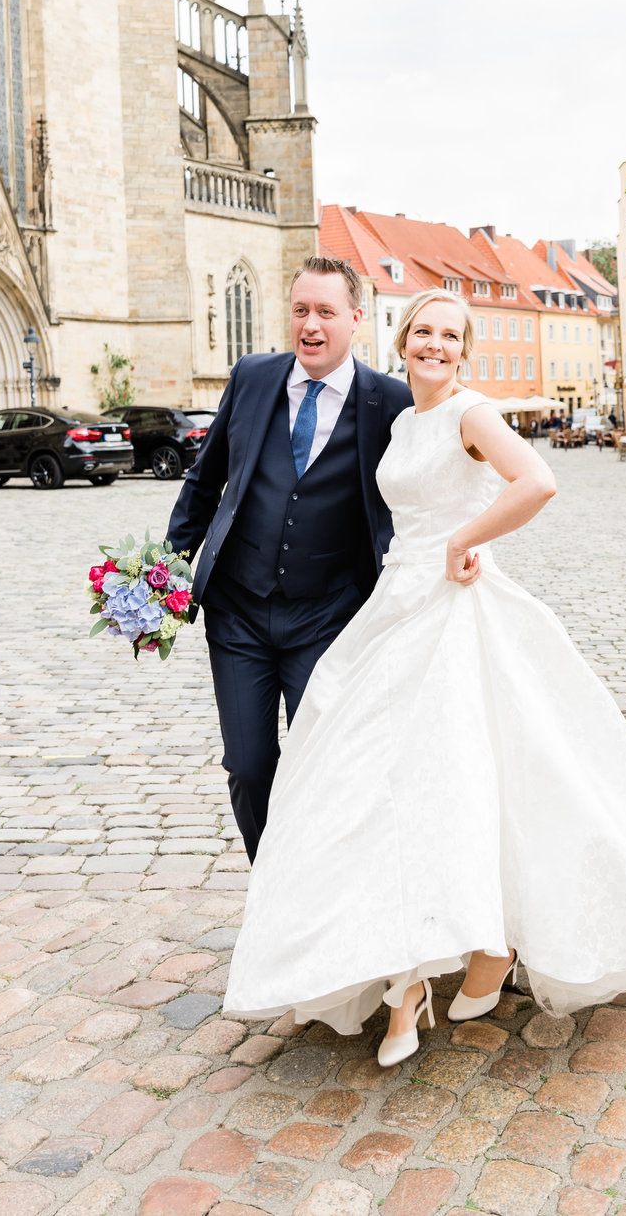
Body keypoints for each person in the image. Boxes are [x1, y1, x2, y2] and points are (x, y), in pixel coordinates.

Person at [223, 287, 626, 1064]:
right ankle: (404, 967)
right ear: (402, 340)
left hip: (457, 603)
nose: (434, 344)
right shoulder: (405, 420)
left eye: (450, 335)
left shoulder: (471, 412)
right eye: (422, 331)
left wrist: (466, 540)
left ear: (465, 349)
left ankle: (476, 951)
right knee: (377, 779)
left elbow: (537, 482)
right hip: (394, 606)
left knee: (470, 773)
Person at [165, 256, 412, 863]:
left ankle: (318, 894)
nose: (311, 325)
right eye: (301, 310)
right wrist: (166, 567)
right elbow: (206, 479)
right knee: (248, 766)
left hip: (328, 618)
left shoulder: (391, 402)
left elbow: (421, 492)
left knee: (321, 761)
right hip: (238, 612)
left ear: (356, 319)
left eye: (326, 312)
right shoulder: (252, 376)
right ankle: (271, 884)